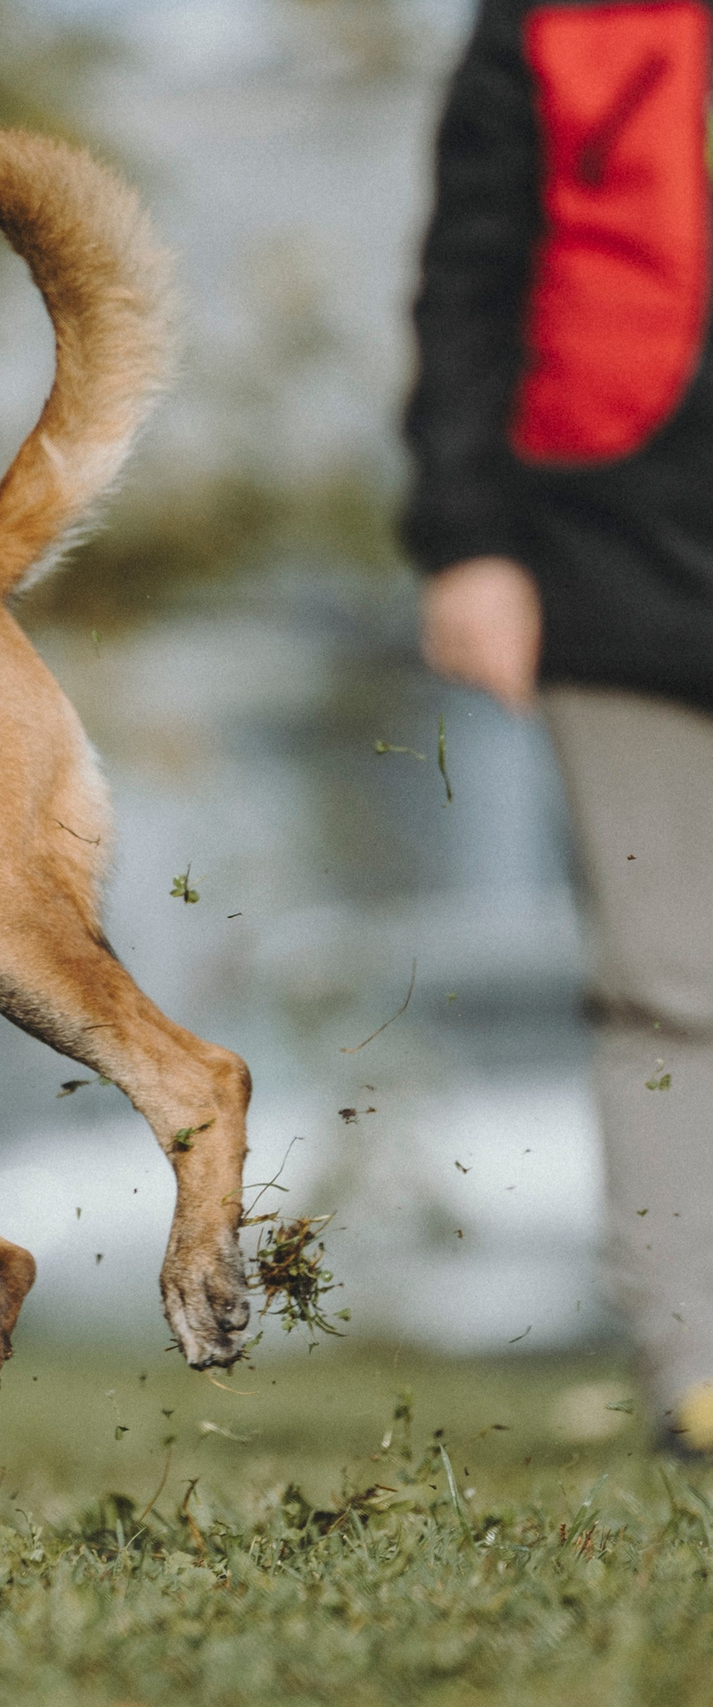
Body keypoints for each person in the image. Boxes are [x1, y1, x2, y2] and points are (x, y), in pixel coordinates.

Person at [406, 0, 713, 1451]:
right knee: (668, 980)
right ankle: (694, 1358)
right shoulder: (548, 21)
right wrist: (467, 541)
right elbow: (470, 280)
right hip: (610, 556)